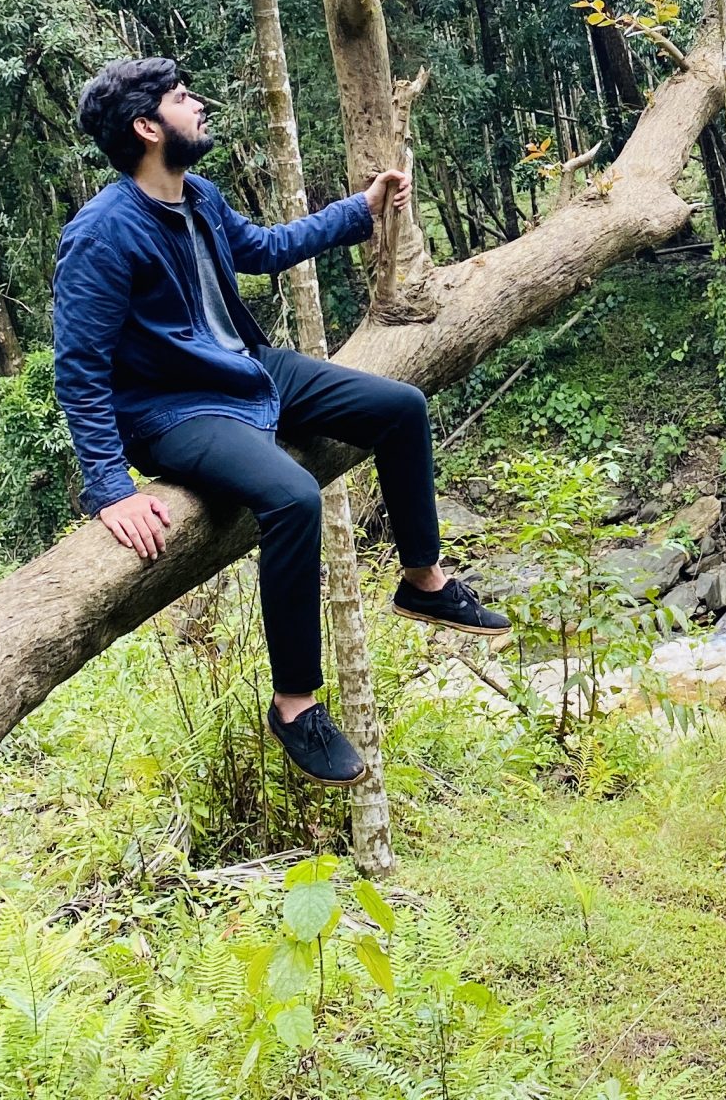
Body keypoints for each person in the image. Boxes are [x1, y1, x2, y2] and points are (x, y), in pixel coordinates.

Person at [55, 57, 509, 787]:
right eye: (181, 98)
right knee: (293, 497)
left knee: (401, 408)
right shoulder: (102, 234)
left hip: (247, 370)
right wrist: (110, 487)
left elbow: (263, 250)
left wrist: (360, 210)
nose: (197, 103)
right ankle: (295, 705)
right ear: (146, 127)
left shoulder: (196, 194)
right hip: (174, 410)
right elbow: (78, 368)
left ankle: (423, 580)